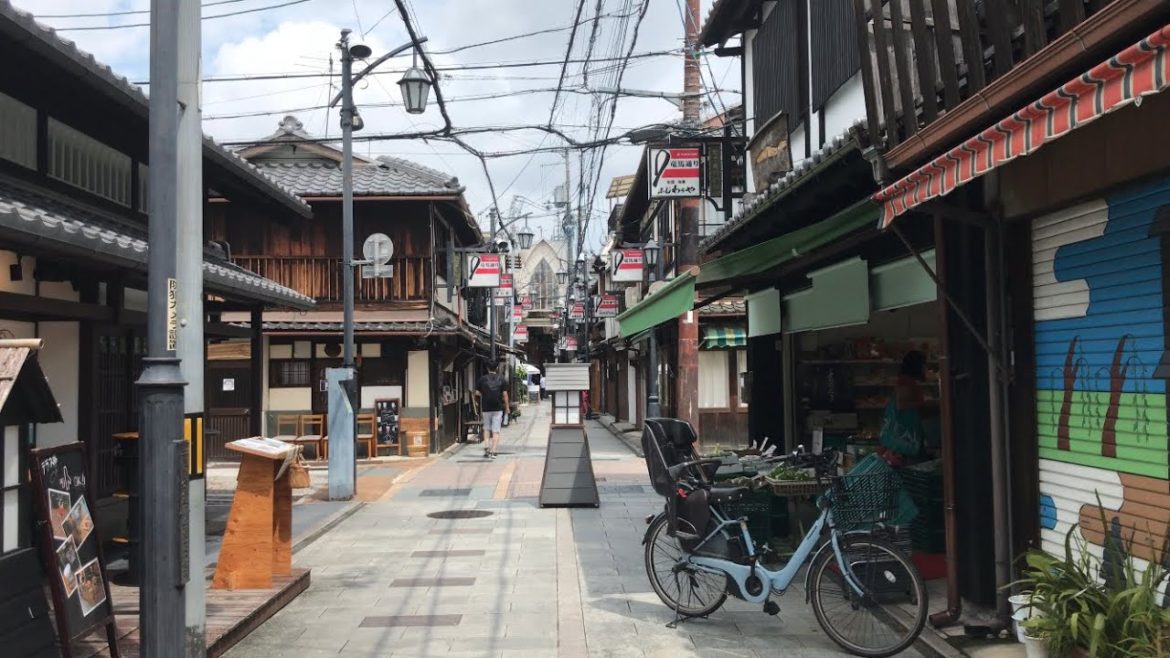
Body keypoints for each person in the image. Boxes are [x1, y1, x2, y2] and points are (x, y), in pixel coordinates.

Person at [878, 350, 935, 466]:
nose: (925, 368)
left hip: (904, 439)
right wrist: (929, 403)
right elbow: (902, 404)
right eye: (924, 364)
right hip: (906, 439)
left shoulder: (908, 381)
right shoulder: (906, 382)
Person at [474, 360, 509, 459]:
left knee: (486, 428)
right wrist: (507, 408)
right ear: (496, 368)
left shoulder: (482, 379)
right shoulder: (501, 379)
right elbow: (505, 395)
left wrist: (484, 395)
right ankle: (493, 451)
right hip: (498, 408)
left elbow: (476, 393)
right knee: (496, 430)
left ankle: (486, 448)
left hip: (486, 408)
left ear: (487, 368)